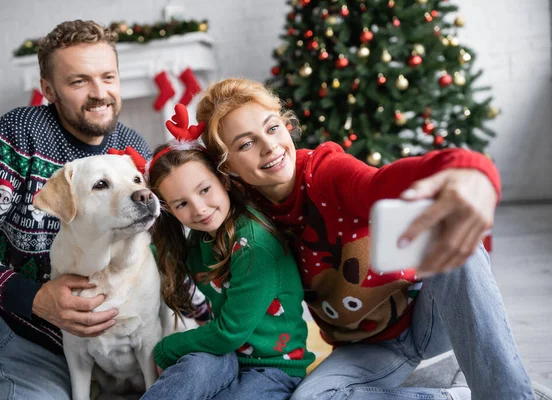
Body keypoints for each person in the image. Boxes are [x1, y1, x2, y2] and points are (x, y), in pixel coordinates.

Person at [194, 78, 536, 400]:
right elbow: (187, 202)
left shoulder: (325, 172)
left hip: (431, 315)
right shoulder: (245, 217)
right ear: (229, 168)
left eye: (272, 128)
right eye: (246, 143)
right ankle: (452, 395)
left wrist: (465, 168)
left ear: (286, 126)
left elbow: (380, 184)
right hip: (366, 348)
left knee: (450, 236)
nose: (269, 147)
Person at [0, 20, 206, 400]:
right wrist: (29, 296)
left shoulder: (131, 149)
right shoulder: (16, 134)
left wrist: (208, 320)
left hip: (57, 352)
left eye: (108, 77)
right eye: (79, 81)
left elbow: (163, 251)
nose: (99, 93)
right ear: (49, 90)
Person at [139, 108, 314, 400]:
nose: (199, 209)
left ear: (224, 180)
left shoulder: (255, 246)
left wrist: (165, 349)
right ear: (169, 211)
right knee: (190, 374)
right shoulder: (200, 237)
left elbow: (228, 332)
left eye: (204, 189)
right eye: (181, 204)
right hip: (227, 357)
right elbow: (156, 256)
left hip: (275, 368)